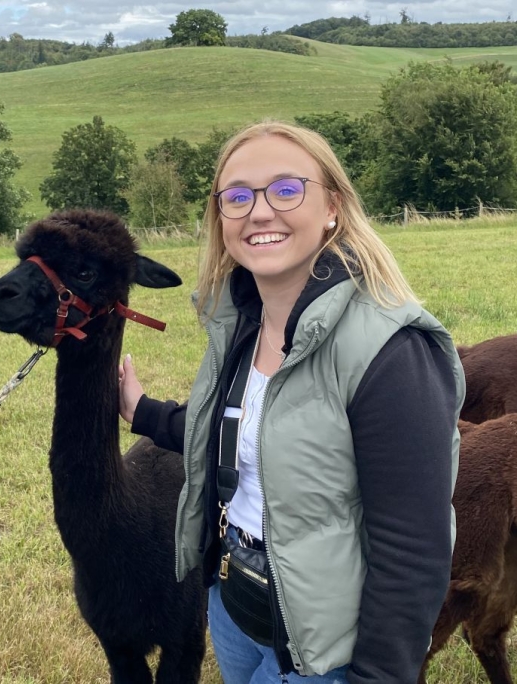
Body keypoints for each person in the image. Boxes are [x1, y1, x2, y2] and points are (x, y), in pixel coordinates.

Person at [118, 121, 464, 683]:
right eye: (237, 196)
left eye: (285, 189)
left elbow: (413, 547)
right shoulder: (240, 325)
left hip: (323, 651)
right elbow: (244, 436)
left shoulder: (390, 352)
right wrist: (143, 412)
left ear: (332, 206)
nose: (259, 212)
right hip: (234, 610)